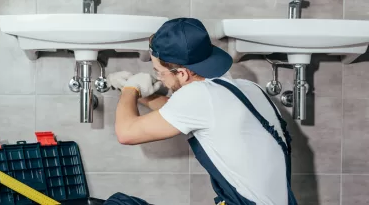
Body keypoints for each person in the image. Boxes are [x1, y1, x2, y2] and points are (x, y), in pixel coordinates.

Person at [107, 18, 297, 205]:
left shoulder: (199, 96)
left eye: (159, 71)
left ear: (182, 73)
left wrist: (130, 90)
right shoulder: (248, 88)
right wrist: (140, 94)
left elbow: (126, 134)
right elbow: (177, 113)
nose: (159, 77)